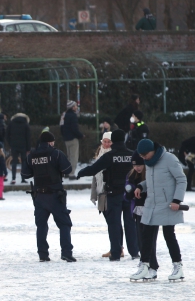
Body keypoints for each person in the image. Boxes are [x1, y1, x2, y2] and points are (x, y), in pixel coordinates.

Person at [77, 129, 139, 262]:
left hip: (114, 194)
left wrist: (80, 173)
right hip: (129, 194)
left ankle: (116, 253)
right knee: (130, 223)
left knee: (114, 224)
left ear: (113, 141)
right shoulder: (132, 154)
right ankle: (135, 252)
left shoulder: (110, 156)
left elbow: (94, 169)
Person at [130, 139, 187, 282]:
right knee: (146, 235)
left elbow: (181, 179)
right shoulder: (149, 162)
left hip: (168, 204)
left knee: (169, 235)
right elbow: (152, 181)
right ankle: (146, 267)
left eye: (145, 155)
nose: (143, 158)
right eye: (141, 156)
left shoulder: (169, 159)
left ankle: (177, 266)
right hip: (152, 204)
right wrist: (141, 186)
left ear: (153, 151)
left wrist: (177, 200)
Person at [23, 131, 75, 262]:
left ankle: (43, 254)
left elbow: (25, 174)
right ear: (50, 142)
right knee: (64, 224)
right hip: (55, 195)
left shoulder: (31, 155)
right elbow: (68, 170)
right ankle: (66, 253)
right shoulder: (56, 153)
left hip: (39, 196)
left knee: (41, 226)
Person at [124, 153, 158, 276]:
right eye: (135, 165)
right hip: (138, 210)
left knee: (150, 239)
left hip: (151, 210)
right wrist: (129, 193)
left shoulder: (150, 174)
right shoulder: (131, 175)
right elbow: (127, 193)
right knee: (141, 239)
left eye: (139, 165)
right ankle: (144, 263)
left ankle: (152, 266)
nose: (137, 168)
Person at [87, 132, 116, 256]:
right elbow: (95, 176)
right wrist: (94, 194)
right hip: (101, 192)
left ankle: (117, 248)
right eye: (104, 141)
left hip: (110, 192)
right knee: (109, 222)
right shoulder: (99, 155)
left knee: (113, 222)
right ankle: (115, 247)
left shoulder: (113, 155)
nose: (106, 143)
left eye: (109, 141)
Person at [60, 100, 84, 179]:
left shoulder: (64, 115)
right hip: (73, 139)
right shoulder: (73, 116)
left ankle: (66, 172)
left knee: (69, 156)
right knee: (74, 157)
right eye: (75, 106)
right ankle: (71, 173)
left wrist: (64, 135)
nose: (76, 107)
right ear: (72, 107)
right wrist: (81, 135)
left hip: (66, 139)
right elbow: (75, 129)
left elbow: (61, 127)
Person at [6, 112, 31, 184]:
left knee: (14, 162)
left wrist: (10, 143)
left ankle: (13, 178)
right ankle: (23, 178)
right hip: (23, 146)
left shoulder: (11, 124)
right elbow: (28, 137)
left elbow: (7, 135)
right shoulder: (26, 124)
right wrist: (28, 149)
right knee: (23, 162)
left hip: (14, 145)